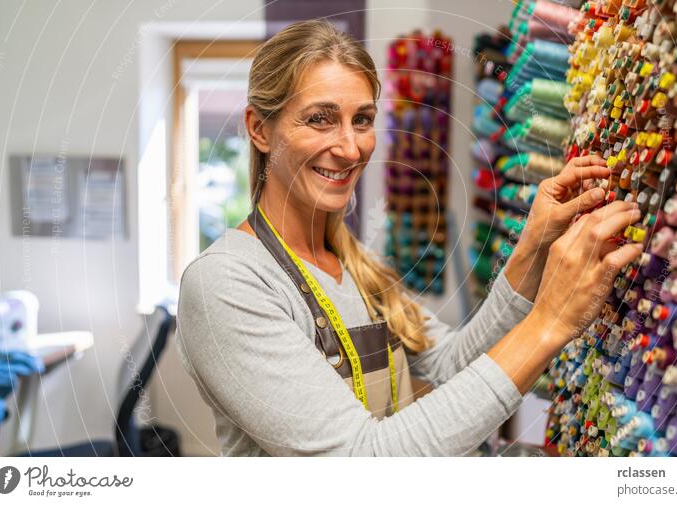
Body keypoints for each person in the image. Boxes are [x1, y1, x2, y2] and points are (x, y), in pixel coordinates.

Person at [176, 20, 643, 456]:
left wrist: (534, 247)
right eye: (320, 119)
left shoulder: (352, 262)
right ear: (260, 129)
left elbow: (451, 364)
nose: (350, 147)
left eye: (361, 120)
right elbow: (362, 459)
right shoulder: (227, 284)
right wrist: (549, 323)